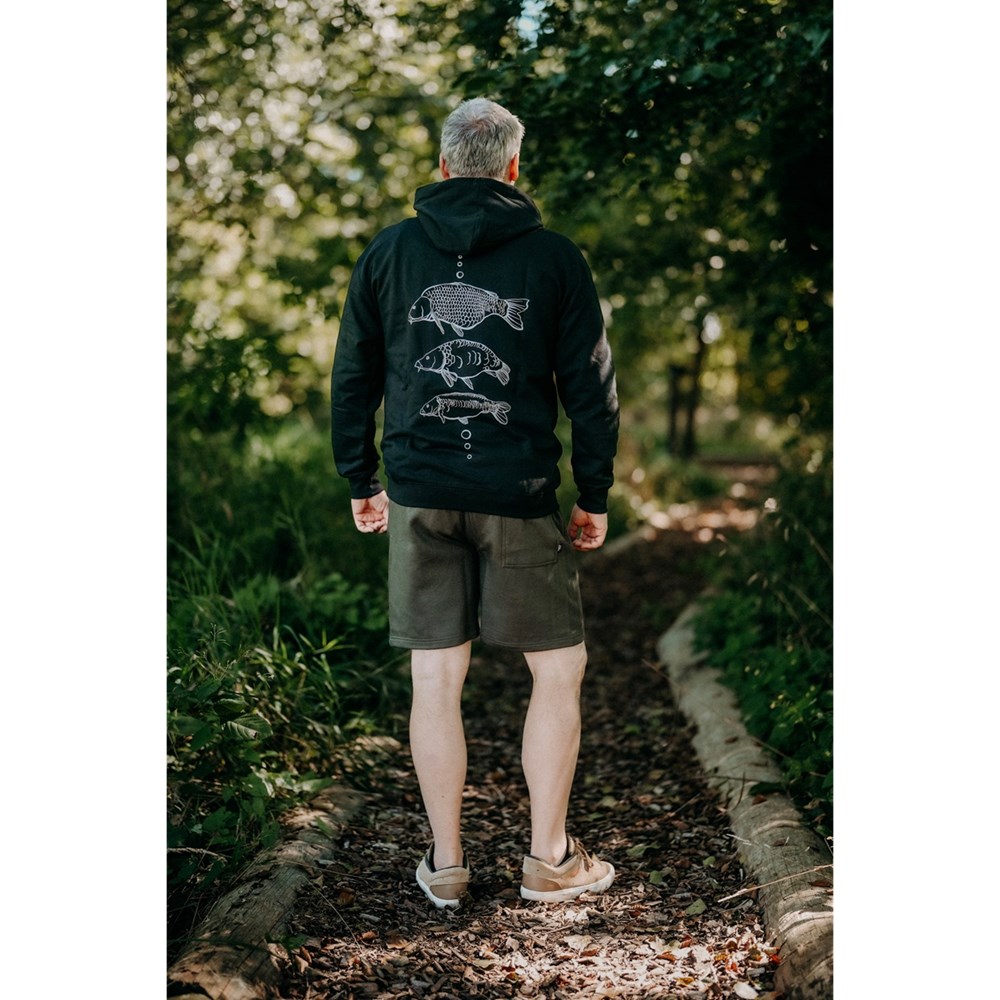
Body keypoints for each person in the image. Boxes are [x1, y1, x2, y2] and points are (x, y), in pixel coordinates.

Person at [331, 97, 619, 908]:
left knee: (435, 675)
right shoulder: (555, 258)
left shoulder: (389, 251)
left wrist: (360, 478)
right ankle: (549, 859)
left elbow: (353, 373)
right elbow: (591, 387)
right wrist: (593, 492)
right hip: (517, 492)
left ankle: (448, 864)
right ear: (513, 167)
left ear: (444, 163)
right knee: (558, 669)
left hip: (419, 492)